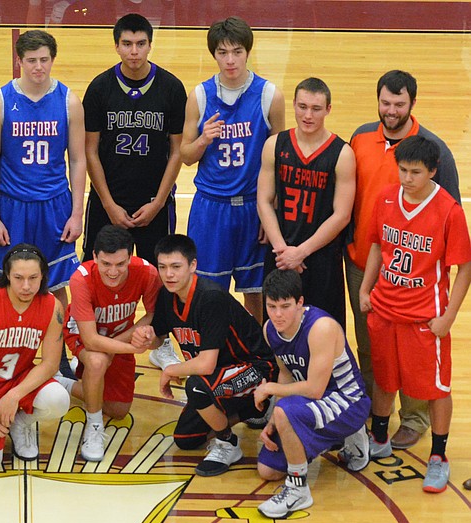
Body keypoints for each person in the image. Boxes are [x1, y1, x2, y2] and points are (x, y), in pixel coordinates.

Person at [348, 70, 461, 451]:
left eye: (399, 103)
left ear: (413, 103)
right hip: (363, 262)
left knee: (417, 358)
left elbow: (450, 218)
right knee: (371, 346)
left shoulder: (435, 150)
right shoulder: (361, 136)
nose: (391, 110)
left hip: (417, 278)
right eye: (385, 102)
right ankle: (373, 413)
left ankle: (414, 418)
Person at [358, 135, 471, 494]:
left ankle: (438, 456)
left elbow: (464, 268)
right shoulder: (386, 198)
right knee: (384, 377)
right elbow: (378, 244)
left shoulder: (448, 210)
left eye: (415, 172)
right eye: (403, 170)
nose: (407, 178)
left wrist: (449, 317)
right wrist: (365, 288)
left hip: (425, 318)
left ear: (433, 171)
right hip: (385, 308)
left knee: (435, 388)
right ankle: (378, 436)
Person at [131, 234, 277, 476]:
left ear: (193, 266)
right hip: (221, 376)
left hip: (256, 368)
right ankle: (256, 407)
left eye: (176, 267)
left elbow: (206, 364)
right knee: (186, 438)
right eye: (163, 267)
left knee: (198, 387)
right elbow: (159, 337)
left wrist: (170, 370)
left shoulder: (210, 297)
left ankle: (227, 443)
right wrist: (146, 337)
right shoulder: (168, 295)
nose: (169, 275)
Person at [178, 16, 285, 322]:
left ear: (247, 52)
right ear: (214, 55)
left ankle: (261, 353)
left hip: (253, 206)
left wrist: (272, 210)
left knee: (258, 291)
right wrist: (203, 140)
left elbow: (279, 160)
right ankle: (216, 352)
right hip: (211, 208)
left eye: (236, 51)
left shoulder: (269, 96)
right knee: (209, 290)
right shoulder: (199, 95)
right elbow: (185, 155)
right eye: (223, 53)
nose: (230, 60)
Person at [252, 270, 371, 518]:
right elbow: (285, 375)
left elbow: (315, 389)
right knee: (268, 470)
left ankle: (298, 490)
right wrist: (274, 420)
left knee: (287, 410)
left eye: (285, 306)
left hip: (347, 400)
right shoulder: (270, 329)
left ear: (300, 303)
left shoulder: (321, 327)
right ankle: (321, 439)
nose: (277, 314)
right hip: (310, 402)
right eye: (272, 306)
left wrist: (270, 390)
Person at [0, 29, 86, 305]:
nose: (38, 67)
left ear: (52, 59)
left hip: (54, 205)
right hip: (11, 205)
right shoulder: (0, 101)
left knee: (56, 285)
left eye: (43, 59)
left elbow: (77, 160)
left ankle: (59, 345)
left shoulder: (69, 101)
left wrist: (77, 214)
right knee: (5, 283)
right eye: (31, 60)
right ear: (20, 61)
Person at [81, 13, 186, 265]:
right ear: (116, 46)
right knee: (94, 272)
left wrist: (159, 203)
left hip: (153, 203)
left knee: (161, 278)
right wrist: (108, 204)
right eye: (127, 44)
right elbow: (90, 151)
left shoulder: (171, 88)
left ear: (150, 45)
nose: (134, 51)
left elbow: (177, 150)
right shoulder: (99, 88)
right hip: (108, 200)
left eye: (140, 44)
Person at [0, 245, 70, 470]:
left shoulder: (53, 307)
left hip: (17, 378)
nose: (26, 286)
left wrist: (14, 395)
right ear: (7, 275)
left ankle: (21, 422)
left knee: (58, 400)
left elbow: (50, 363)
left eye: (33, 278)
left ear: (43, 276)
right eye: (18, 278)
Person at [256, 77, 354, 327]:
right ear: (294, 105)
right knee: (278, 326)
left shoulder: (342, 153)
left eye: (316, 108)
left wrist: (300, 252)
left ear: (328, 110)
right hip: (280, 253)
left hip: (321, 257)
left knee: (323, 328)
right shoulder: (275, 145)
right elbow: (264, 201)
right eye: (302, 107)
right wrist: (282, 250)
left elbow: (341, 215)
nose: (308, 115)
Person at [64, 225, 160, 462]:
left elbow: (151, 315)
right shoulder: (81, 279)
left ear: (131, 256)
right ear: (95, 257)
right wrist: (132, 348)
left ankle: (64, 385)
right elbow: (90, 339)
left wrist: (135, 338)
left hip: (119, 333)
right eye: (106, 264)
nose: (113, 271)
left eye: (120, 264)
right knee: (96, 361)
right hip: (83, 331)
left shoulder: (148, 273)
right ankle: (94, 427)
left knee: (119, 411)